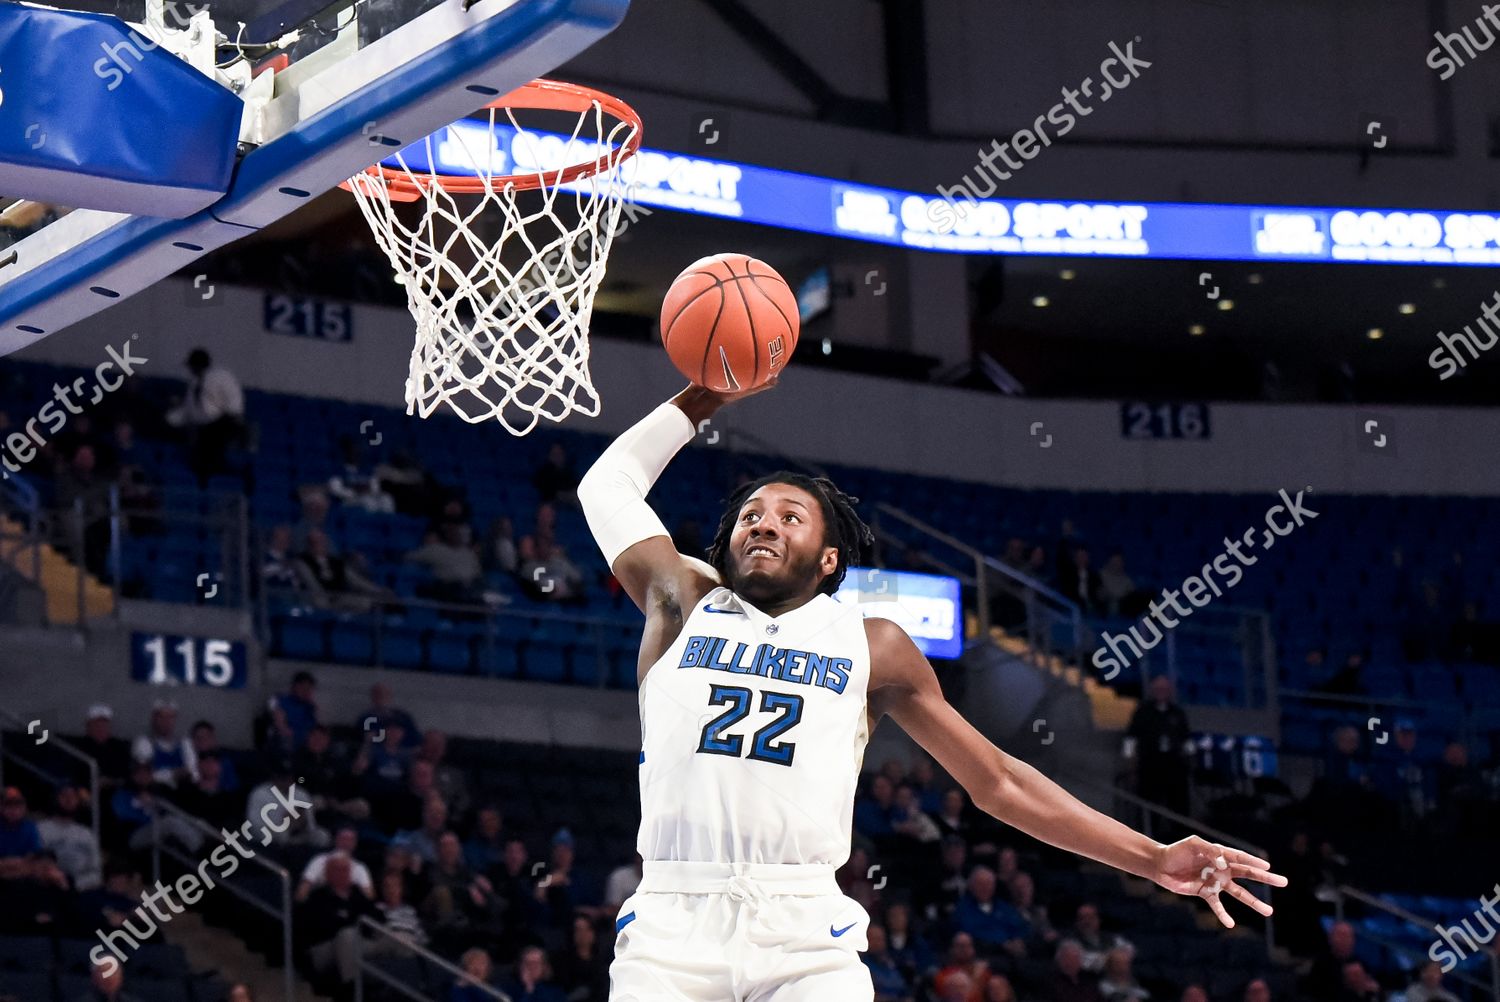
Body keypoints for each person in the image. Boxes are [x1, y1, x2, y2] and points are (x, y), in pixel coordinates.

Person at [579, 382, 1286, 1001]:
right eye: (752, 514)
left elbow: (1000, 782)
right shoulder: (682, 599)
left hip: (799, 933)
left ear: (830, 560)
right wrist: (706, 395)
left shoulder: (874, 643)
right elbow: (605, 486)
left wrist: (1153, 858)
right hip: (673, 918)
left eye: (791, 516)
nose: (764, 521)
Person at [165, 348, 245, 486]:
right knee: (200, 451)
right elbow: (190, 410)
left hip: (224, 421)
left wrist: (232, 417)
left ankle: (218, 473)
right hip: (204, 426)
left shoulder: (221, 376)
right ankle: (206, 474)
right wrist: (170, 419)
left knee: (209, 447)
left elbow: (234, 400)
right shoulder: (194, 384)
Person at [299, 853, 379, 988]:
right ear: (328, 872)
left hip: (360, 940)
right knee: (347, 935)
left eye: (346, 869)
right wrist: (351, 924)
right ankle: (351, 990)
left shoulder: (357, 894)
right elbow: (324, 928)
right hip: (325, 948)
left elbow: (375, 916)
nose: (343, 873)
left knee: (398, 938)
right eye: (338, 869)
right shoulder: (318, 897)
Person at [1123, 676, 1192, 821]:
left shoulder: (1177, 713)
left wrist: (1190, 759)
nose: (1162, 692)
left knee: (1178, 805)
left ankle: (1179, 835)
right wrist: (1129, 761)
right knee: (1149, 804)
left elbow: (1186, 739)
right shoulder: (1143, 712)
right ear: (1152, 691)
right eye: (1158, 689)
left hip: (1174, 765)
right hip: (1150, 765)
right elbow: (1131, 738)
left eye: (1165, 689)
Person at [37, 785, 101, 890]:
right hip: (48, 887)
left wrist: (75, 884)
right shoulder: (41, 830)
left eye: (73, 796)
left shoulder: (86, 834)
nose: (69, 799)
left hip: (80, 889)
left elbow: (96, 872)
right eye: (64, 795)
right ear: (55, 799)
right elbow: (35, 865)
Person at [131, 700, 197, 788]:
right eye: (161, 717)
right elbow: (143, 776)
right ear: (154, 719)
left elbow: (194, 773)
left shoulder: (186, 743)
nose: (165, 722)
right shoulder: (143, 742)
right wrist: (173, 774)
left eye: (170, 717)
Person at [298, 827, 374, 901]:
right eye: (343, 839)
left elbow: (369, 896)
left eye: (350, 840)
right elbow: (302, 891)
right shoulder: (319, 860)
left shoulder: (360, 867)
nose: (346, 843)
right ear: (336, 840)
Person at [551, 913, 612, 1001]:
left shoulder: (602, 963)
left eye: (587, 929)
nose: (583, 934)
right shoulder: (561, 962)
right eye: (578, 930)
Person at [76, 704, 133, 785]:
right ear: (88, 726)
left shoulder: (119, 749)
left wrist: (111, 782)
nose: (101, 728)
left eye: (104, 725)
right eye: (97, 725)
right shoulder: (78, 748)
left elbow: (127, 776)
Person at [499, 945, 568, 1002]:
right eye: (527, 962)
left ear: (545, 967)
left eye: (537, 963)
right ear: (520, 966)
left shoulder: (556, 993)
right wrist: (529, 990)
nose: (532, 967)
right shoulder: (507, 990)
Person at [861, 924, 913, 1002]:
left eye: (880, 939)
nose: (877, 943)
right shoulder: (861, 966)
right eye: (873, 939)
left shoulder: (892, 962)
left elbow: (903, 989)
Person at [533, 441, 581, 507]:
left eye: (560, 453)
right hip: (552, 501)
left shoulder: (568, 471)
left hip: (571, 500)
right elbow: (545, 490)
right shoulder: (544, 472)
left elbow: (575, 485)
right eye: (554, 454)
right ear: (549, 455)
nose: (557, 457)